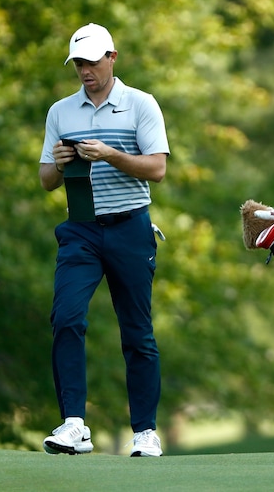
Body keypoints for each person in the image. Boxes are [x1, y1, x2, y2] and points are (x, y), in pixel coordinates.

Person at [38, 23, 169, 457]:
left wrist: (111, 154)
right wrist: (57, 164)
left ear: (113, 57)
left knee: (137, 333)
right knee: (66, 317)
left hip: (131, 227)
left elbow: (156, 169)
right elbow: (45, 181)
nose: (85, 70)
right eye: (78, 63)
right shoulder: (61, 111)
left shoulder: (140, 104)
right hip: (80, 229)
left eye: (92, 61)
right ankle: (74, 423)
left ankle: (146, 431)